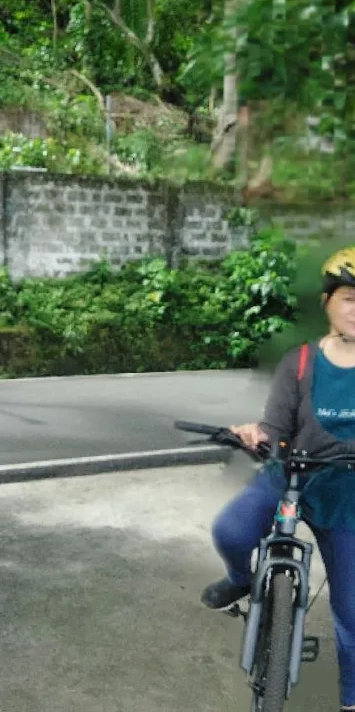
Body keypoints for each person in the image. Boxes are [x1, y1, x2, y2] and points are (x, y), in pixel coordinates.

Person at [201, 247, 355, 712]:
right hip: (289, 474)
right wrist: (256, 434)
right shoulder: (301, 362)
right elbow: (275, 427)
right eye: (349, 297)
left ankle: (351, 698)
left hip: (345, 492)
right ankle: (240, 579)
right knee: (230, 531)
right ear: (328, 302)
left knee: (352, 611)